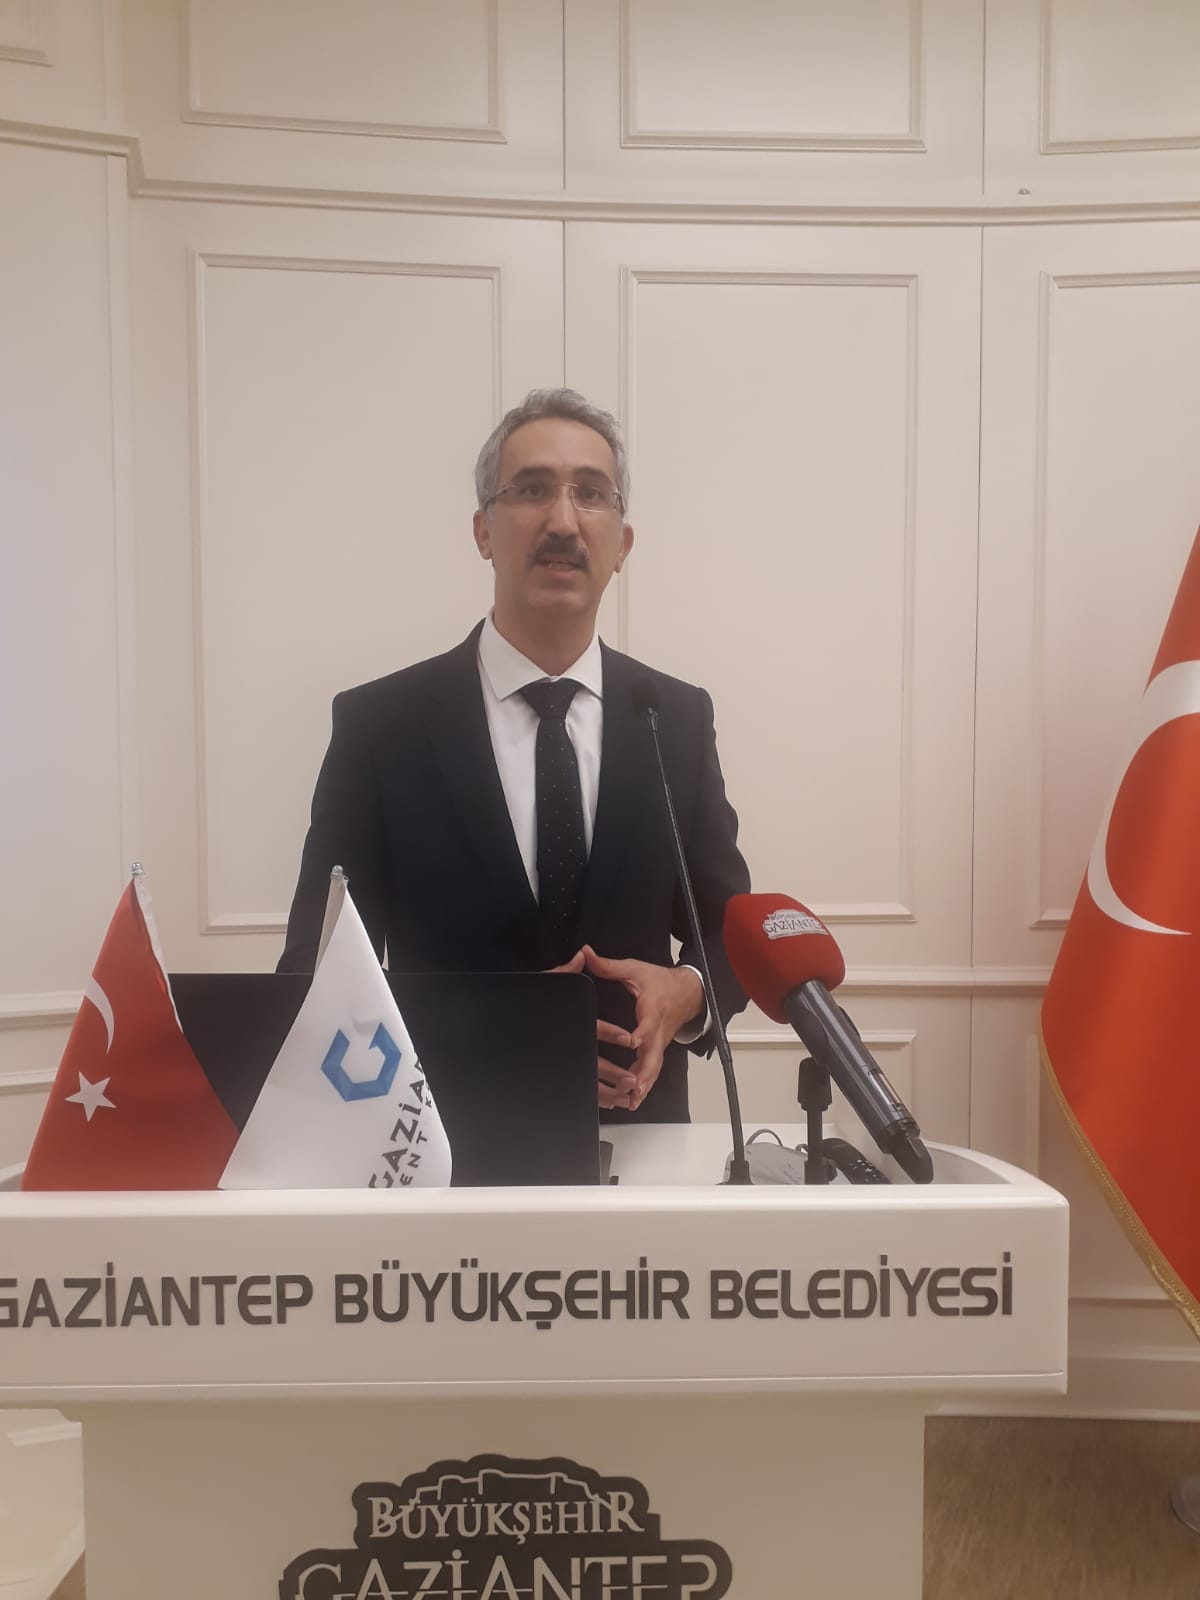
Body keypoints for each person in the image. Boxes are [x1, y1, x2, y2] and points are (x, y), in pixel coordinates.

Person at [279, 389, 750, 1122]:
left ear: (622, 543)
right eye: (531, 490)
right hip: (436, 1145)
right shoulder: (380, 725)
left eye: (590, 493)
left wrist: (686, 993)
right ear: (483, 532)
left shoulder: (676, 719)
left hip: (640, 1142)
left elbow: (730, 934)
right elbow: (319, 965)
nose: (562, 521)